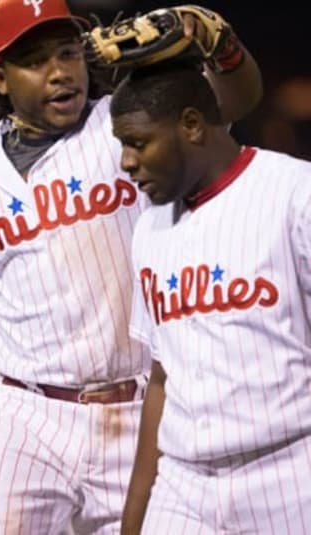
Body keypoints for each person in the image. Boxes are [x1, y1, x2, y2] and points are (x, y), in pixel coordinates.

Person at [0, 0, 263, 533]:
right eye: (36, 61)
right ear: (0, 79)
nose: (59, 72)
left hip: (144, 406)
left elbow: (234, 100)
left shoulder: (127, 119)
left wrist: (223, 48)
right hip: (26, 416)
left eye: (68, 53)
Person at [110, 62, 311, 534]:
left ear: (192, 125)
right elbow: (161, 379)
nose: (126, 161)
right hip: (184, 485)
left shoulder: (294, 194)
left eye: (137, 142)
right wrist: (134, 520)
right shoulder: (150, 229)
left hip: (287, 471)